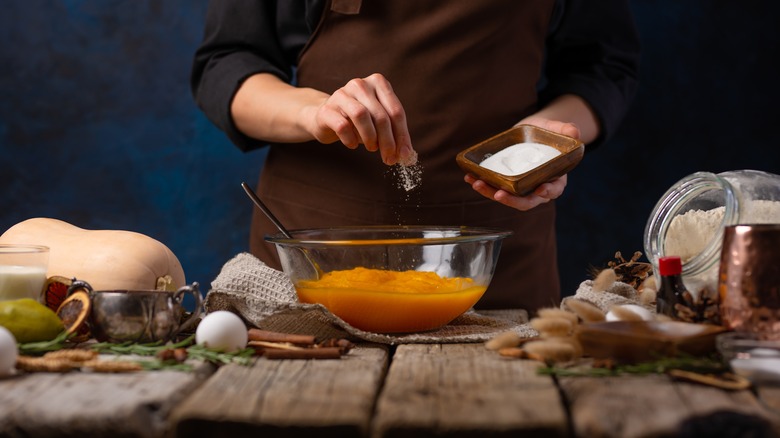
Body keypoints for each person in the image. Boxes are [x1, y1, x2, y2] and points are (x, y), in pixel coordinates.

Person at [191, 0, 640, 313]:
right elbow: (227, 59)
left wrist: (539, 148)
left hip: (493, 256)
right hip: (314, 252)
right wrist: (313, 112)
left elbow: (602, 66)